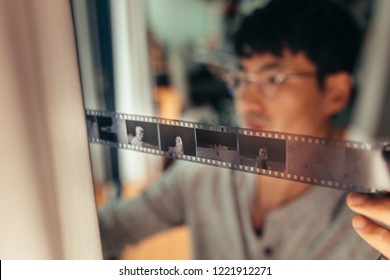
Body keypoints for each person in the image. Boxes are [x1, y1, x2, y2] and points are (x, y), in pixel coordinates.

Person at [98, 0, 381, 259]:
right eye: (243, 78)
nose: (247, 100)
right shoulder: (208, 170)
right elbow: (111, 228)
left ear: (335, 92)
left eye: (273, 79)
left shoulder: (376, 205)